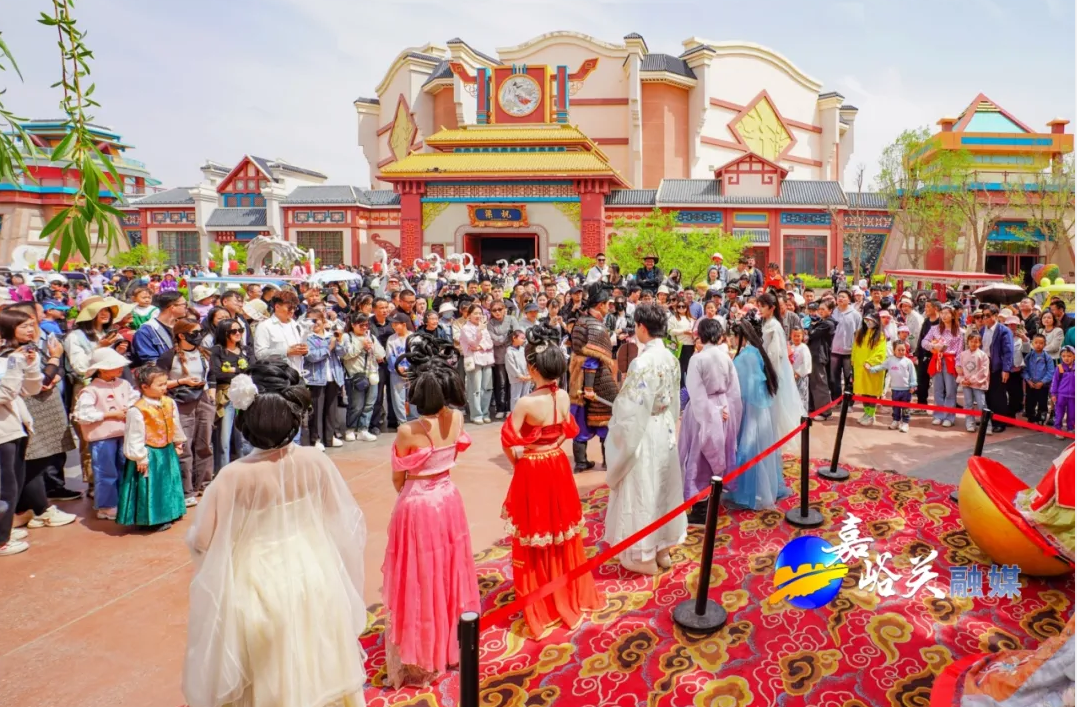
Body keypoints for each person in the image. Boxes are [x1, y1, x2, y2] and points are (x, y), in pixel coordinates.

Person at [182, 359, 368, 707]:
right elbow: (339, 518)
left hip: (256, 586)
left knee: (268, 672)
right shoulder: (316, 460)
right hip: (314, 574)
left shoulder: (232, 476)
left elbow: (202, 541)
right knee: (315, 656)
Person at [383, 336, 480, 687]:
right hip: (448, 498)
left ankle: (424, 648)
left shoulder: (407, 430)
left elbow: (398, 478)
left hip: (419, 505)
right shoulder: (457, 418)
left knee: (421, 576)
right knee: (449, 568)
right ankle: (449, 639)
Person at [500, 324, 603, 637]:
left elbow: (509, 442)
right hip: (558, 463)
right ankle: (565, 589)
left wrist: (522, 461)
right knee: (561, 528)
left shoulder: (526, 403)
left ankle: (542, 599)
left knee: (536, 529)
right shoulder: (562, 397)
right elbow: (565, 432)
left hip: (533, 468)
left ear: (533, 368)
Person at [603, 303, 687, 575]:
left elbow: (631, 409)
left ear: (641, 326)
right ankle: (662, 548)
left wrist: (619, 433)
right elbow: (674, 400)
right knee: (663, 485)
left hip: (645, 428)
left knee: (643, 488)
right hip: (664, 425)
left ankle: (644, 555)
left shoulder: (642, 362)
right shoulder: (671, 358)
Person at [679, 317, 740, 525]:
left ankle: (700, 507)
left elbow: (696, 393)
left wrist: (709, 415)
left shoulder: (698, 359)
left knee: (698, 455)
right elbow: (734, 391)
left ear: (701, 336)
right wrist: (728, 411)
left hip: (703, 409)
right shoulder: (726, 358)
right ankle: (712, 498)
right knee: (719, 449)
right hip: (722, 405)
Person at [726, 313, 790, 510]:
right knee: (759, 448)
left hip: (750, 408)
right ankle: (762, 488)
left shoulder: (746, 356)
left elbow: (741, 387)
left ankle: (750, 492)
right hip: (759, 407)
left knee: (748, 449)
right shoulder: (756, 352)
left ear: (741, 336)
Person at [116, 366, 187, 531]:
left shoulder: (169, 402)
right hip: (150, 452)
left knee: (169, 482)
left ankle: (172, 511)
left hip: (167, 450)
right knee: (152, 485)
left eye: (165, 384)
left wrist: (178, 441)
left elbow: (175, 423)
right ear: (145, 387)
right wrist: (140, 457)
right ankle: (153, 518)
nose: (164, 387)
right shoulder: (138, 409)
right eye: (160, 385)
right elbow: (134, 435)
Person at [73, 348, 140, 521]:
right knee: (106, 471)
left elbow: (134, 398)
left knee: (124, 467)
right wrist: (110, 414)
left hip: (123, 433)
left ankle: (124, 500)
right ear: (102, 369)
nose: (120, 368)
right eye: (115, 366)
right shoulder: (91, 390)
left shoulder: (123, 384)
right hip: (102, 437)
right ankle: (106, 506)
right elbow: (82, 415)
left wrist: (128, 408)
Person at [160, 320, 214, 506]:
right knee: (184, 445)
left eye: (200, 332)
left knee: (205, 443)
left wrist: (211, 396)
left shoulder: (204, 353)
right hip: (181, 401)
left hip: (203, 399)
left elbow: (212, 376)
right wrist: (182, 381)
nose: (199, 336)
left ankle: (204, 484)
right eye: (194, 333)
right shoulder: (169, 356)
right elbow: (159, 382)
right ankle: (186, 489)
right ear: (182, 335)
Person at [568, 284, 619, 472]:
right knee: (606, 421)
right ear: (600, 305)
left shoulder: (580, 322)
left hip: (577, 379)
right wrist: (589, 388)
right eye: (607, 304)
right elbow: (591, 361)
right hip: (596, 381)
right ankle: (608, 462)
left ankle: (581, 462)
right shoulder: (596, 326)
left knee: (581, 420)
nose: (609, 308)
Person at [758, 292, 804, 446]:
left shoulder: (773, 325)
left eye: (763, 306)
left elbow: (775, 353)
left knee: (778, 403)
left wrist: (769, 371)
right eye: (759, 306)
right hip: (767, 365)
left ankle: (775, 437)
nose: (760, 309)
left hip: (773, 368)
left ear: (772, 308)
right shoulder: (767, 322)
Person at [207, 318, 252, 468]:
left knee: (244, 438)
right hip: (226, 395)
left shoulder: (246, 350)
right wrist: (241, 371)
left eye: (240, 330)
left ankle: (244, 469)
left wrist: (234, 370)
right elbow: (217, 373)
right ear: (223, 333)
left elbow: (253, 368)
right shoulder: (217, 351)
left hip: (245, 395)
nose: (238, 333)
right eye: (233, 331)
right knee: (224, 439)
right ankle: (222, 471)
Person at [305, 311, 346, 451]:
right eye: (310, 321)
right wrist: (328, 348)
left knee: (331, 409)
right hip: (315, 378)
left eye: (316, 320)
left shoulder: (331, 336)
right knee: (316, 410)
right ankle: (316, 438)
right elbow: (311, 356)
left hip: (334, 377)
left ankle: (329, 437)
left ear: (323, 321)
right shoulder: (307, 338)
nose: (314, 324)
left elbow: (342, 353)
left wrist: (339, 341)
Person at [341, 313, 383, 443]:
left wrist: (372, 347)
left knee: (369, 405)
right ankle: (350, 429)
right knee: (356, 406)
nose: (365, 328)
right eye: (361, 325)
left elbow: (381, 355)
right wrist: (361, 346)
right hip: (355, 376)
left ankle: (363, 429)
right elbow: (345, 355)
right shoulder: (347, 337)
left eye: (366, 325)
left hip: (372, 374)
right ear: (353, 325)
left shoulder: (371, 337)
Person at [926, 304, 964, 428]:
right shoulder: (935, 329)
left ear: (953, 315)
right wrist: (933, 346)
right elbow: (924, 342)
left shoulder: (959, 331)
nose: (944, 315)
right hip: (937, 359)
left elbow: (959, 351)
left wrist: (958, 365)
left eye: (947, 313)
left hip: (950, 361)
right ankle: (938, 415)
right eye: (942, 313)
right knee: (937, 389)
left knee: (950, 390)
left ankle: (949, 417)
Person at [253, 289, 307, 376]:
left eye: (294, 308)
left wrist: (304, 351)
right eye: (289, 308)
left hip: (298, 375)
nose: (292, 311)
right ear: (277, 307)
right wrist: (286, 351)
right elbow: (260, 354)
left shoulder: (296, 325)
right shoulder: (265, 326)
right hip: (277, 376)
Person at [459, 303, 494, 424]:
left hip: (487, 360)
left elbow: (490, 343)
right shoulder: (465, 329)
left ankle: (485, 413)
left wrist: (480, 347)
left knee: (487, 388)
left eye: (480, 313)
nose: (478, 316)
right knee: (475, 389)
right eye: (475, 313)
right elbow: (472, 343)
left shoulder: (483, 327)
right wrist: (479, 333)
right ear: (469, 315)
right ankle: (476, 414)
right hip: (474, 361)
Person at [851, 313, 888, 426]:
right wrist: (853, 360)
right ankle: (866, 413)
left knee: (872, 392)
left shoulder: (880, 336)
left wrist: (870, 362)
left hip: (872, 368)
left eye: (870, 320)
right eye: (866, 320)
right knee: (864, 391)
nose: (868, 322)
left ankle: (871, 415)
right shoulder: (860, 333)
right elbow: (855, 348)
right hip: (860, 367)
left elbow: (880, 352)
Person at [132, 291, 186, 367]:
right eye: (184, 304)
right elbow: (151, 362)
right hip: (166, 372)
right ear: (172, 307)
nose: (186, 307)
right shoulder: (145, 331)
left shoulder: (183, 326)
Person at [829, 290, 861, 402]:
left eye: (843, 297)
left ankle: (849, 402)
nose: (840, 299)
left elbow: (859, 333)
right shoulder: (832, 312)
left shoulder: (855, 315)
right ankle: (836, 400)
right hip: (834, 350)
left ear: (849, 299)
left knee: (849, 378)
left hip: (849, 351)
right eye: (839, 296)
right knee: (834, 377)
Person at [957, 332, 991, 434]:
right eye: (971, 341)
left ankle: (986, 426)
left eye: (976, 342)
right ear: (968, 342)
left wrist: (972, 380)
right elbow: (960, 369)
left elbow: (984, 371)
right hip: (966, 384)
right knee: (968, 404)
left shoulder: (983, 355)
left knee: (982, 404)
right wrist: (962, 380)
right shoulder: (963, 354)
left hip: (978, 384)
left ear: (980, 343)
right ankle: (970, 423)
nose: (973, 344)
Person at [806, 300, 835, 418]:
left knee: (820, 383)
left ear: (830, 310)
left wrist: (810, 327)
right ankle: (814, 408)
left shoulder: (828, 323)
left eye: (823, 309)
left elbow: (812, 334)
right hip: (814, 354)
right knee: (813, 382)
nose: (820, 311)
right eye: (820, 309)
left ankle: (825, 412)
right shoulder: (821, 321)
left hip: (819, 355)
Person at [884, 340, 917, 433]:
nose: (901, 352)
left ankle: (905, 423)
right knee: (895, 406)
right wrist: (872, 369)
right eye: (899, 350)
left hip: (906, 390)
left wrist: (913, 385)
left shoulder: (908, 362)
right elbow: (882, 366)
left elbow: (913, 375)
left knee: (906, 407)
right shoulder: (891, 361)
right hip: (895, 389)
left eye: (903, 350)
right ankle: (896, 421)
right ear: (894, 350)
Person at [1024, 333, 1054, 424]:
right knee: (1030, 402)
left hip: (1043, 386)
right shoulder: (1029, 356)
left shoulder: (1047, 357)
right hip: (1031, 384)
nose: (1038, 345)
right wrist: (1028, 380)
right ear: (1032, 343)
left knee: (1042, 402)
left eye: (1041, 343)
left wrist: (1042, 382)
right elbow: (1024, 369)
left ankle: (1041, 419)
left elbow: (1051, 372)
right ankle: (1031, 418)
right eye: (1036, 342)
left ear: (1045, 344)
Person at [1051, 346, 1075, 437]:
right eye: (1064, 356)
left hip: (1073, 396)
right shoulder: (1059, 368)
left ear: (1074, 356)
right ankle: (1058, 429)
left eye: (1069, 356)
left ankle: (1070, 428)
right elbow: (1055, 381)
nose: (1066, 358)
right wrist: (1053, 394)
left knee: (1072, 414)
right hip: (1061, 395)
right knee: (1059, 413)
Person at [505, 329, 531, 410]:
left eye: (524, 338)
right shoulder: (509, 352)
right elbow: (511, 366)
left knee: (526, 396)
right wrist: (519, 375)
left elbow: (528, 363)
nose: (524, 340)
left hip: (526, 377)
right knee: (516, 398)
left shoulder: (523, 349)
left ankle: (524, 414)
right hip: (516, 378)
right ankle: (514, 414)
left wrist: (528, 374)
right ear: (514, 338)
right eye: (522, 338)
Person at [790, 327, 811, 412]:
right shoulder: (791, 347)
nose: (796, 338)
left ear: (802, 336)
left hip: (801, 377)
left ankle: (803, 415)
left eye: (798, 336)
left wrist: (798, 373)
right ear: (791, 336)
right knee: (793, 397)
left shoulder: (804, 348)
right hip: (792, 376)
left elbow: (806, 363)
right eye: (794, 336)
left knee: (802, 396)